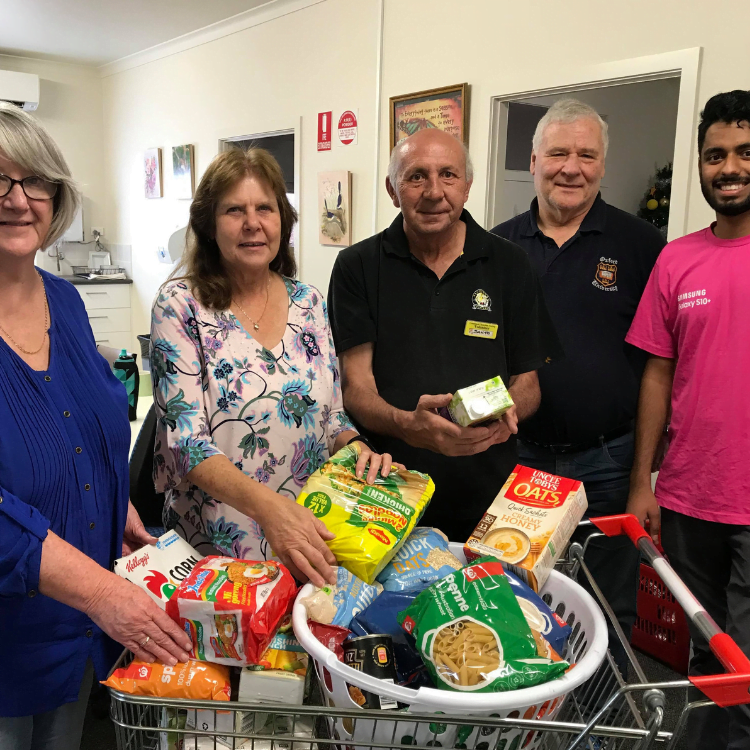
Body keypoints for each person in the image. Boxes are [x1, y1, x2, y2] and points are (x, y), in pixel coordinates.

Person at [0, 102, 191, 750]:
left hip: (77, 632)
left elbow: (94, 426)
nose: (17, 199)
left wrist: (118, 504)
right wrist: (103, 593)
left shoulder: (66, 302)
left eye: (35, 181)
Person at [151, 147, 396, 588]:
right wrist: (271, 510)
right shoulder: (180, 305)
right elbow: (186, 444)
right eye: (234, 210)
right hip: (216, 550)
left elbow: (332, 416)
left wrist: (357, 447)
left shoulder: (309, 302)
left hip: (308, 535)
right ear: (209, 225)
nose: (252, 223)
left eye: (265, 208)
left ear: (282, 220)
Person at [491, 99, 665, 674]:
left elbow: (658, 369)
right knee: (513, 597)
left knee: (608, 605)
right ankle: (525, 713)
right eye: (559, 153)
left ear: (603, 165)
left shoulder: (643, 247)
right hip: (518, 461)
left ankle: (601, 721)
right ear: (534, 159)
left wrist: (643, 477)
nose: (572, 167)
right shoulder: (496, 247)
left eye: (586, 154)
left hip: (610, 464)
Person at [327, 128, 560, 541]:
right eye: (416, 176)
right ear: (392, 190)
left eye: (448, 175)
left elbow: (528, 383)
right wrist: (406, 425)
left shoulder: (510, 265)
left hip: (488, 502)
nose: (434, 192)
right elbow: (355, 386)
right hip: (386, 498)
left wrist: (505, 418)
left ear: (467, 186)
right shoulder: (356, 266)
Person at [626, 89, 750, 749]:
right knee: (703, 659)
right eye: (715, 155)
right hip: (692, 495)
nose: (728, 167)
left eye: (743, 152)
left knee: (747, 670)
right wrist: (644, 479)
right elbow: (657, 373)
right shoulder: (678, 260)